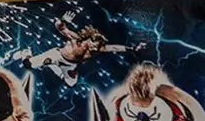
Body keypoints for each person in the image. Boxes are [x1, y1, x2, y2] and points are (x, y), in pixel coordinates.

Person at [10, 11, 140, 86]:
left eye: (97, 46)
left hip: (70, 65)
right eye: (94, 44)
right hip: (57, 55)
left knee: (71, 84)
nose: (94, 48)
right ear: (89, 39)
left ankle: (53, 66)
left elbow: (114, 47)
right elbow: (60, 27)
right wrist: (63, 20)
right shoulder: (76, 39)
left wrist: (132, 48)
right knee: (28, 65)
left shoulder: (98, 49)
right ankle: (26, 53)